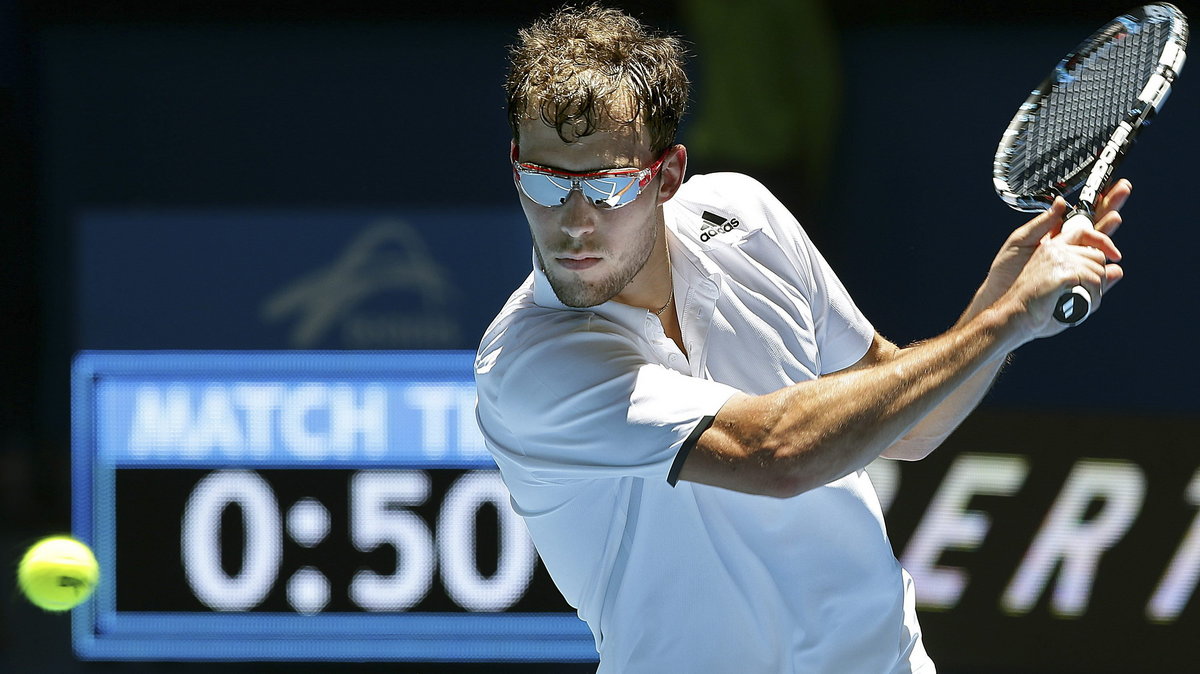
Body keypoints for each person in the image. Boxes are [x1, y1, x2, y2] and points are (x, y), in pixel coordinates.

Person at [474, 4, 1129, 672]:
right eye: (544, 182)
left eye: (609, 186)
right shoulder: (528, 365)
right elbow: (777, 453)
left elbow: (909, 428)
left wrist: (999, 308)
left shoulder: (743, 215)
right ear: (516, 165)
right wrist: (1007, 317)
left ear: (666, 175)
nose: (574, 223)